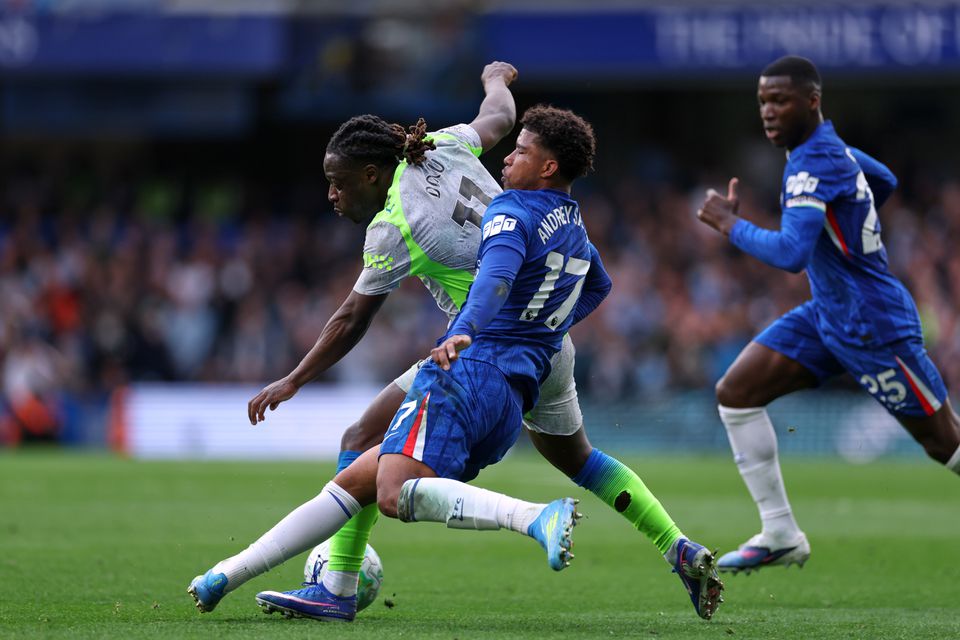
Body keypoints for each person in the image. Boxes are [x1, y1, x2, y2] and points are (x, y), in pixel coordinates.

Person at [190, 63, 722, 620]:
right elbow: (498, 117)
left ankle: (340, 582)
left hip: (479, 348)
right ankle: (676, 545)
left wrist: (294, 379)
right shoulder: (442, 146)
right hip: (544, 342)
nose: (332, 195)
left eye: (339, 183)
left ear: (371, 174)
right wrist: (496, 82)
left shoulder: (395, 225)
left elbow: (351, 319)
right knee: (578, 459)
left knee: (380, 462)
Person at [696, 55, 960, 574]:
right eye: (763, 101)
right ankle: (780, 533)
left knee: (945, 443)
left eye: (780, 100)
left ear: (812, 101)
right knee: (736, 393)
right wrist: (850, 214)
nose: (768, 111)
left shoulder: (813, 163)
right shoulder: (829, 153)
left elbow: (792, 253)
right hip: (828, 313)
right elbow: (883, 180)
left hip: (874, 326)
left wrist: (730, 225)